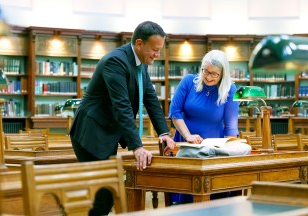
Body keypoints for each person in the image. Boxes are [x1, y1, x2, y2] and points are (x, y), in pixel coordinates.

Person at [69, 21, 175, 215]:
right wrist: (138, 146)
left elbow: (151, 98)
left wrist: (164, 132)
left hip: (107, 132)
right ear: (139, 43)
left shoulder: (139, 64)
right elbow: (122, 106)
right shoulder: (115, 61)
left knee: (106, 194)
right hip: (91, 132)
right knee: (103, 194)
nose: (157, 55)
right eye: (154, 49)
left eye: (160, 50)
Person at [168, 49, 240, 203]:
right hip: (186, 146)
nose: (208, 76)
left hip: (214, 151)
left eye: (214, 74)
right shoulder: (188, 81)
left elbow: (231, 128)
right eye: (205, 71)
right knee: (187, 195)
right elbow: (175, 112)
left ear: (223, 74)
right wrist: (188, 136)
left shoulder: (230, 90)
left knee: (214, 195)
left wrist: (229, 155)